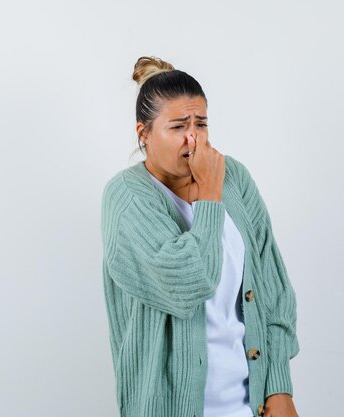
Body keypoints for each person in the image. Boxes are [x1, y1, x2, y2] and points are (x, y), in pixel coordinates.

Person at [100, 56, 300, 417]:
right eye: (178, 127)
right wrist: (208, 193)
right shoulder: (127, 197)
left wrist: (279, 387)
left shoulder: (234, 178)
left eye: (201, 123)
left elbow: (274, 291)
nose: (194, 138)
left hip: (251, 407)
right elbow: (188, 283)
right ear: (143, 134)